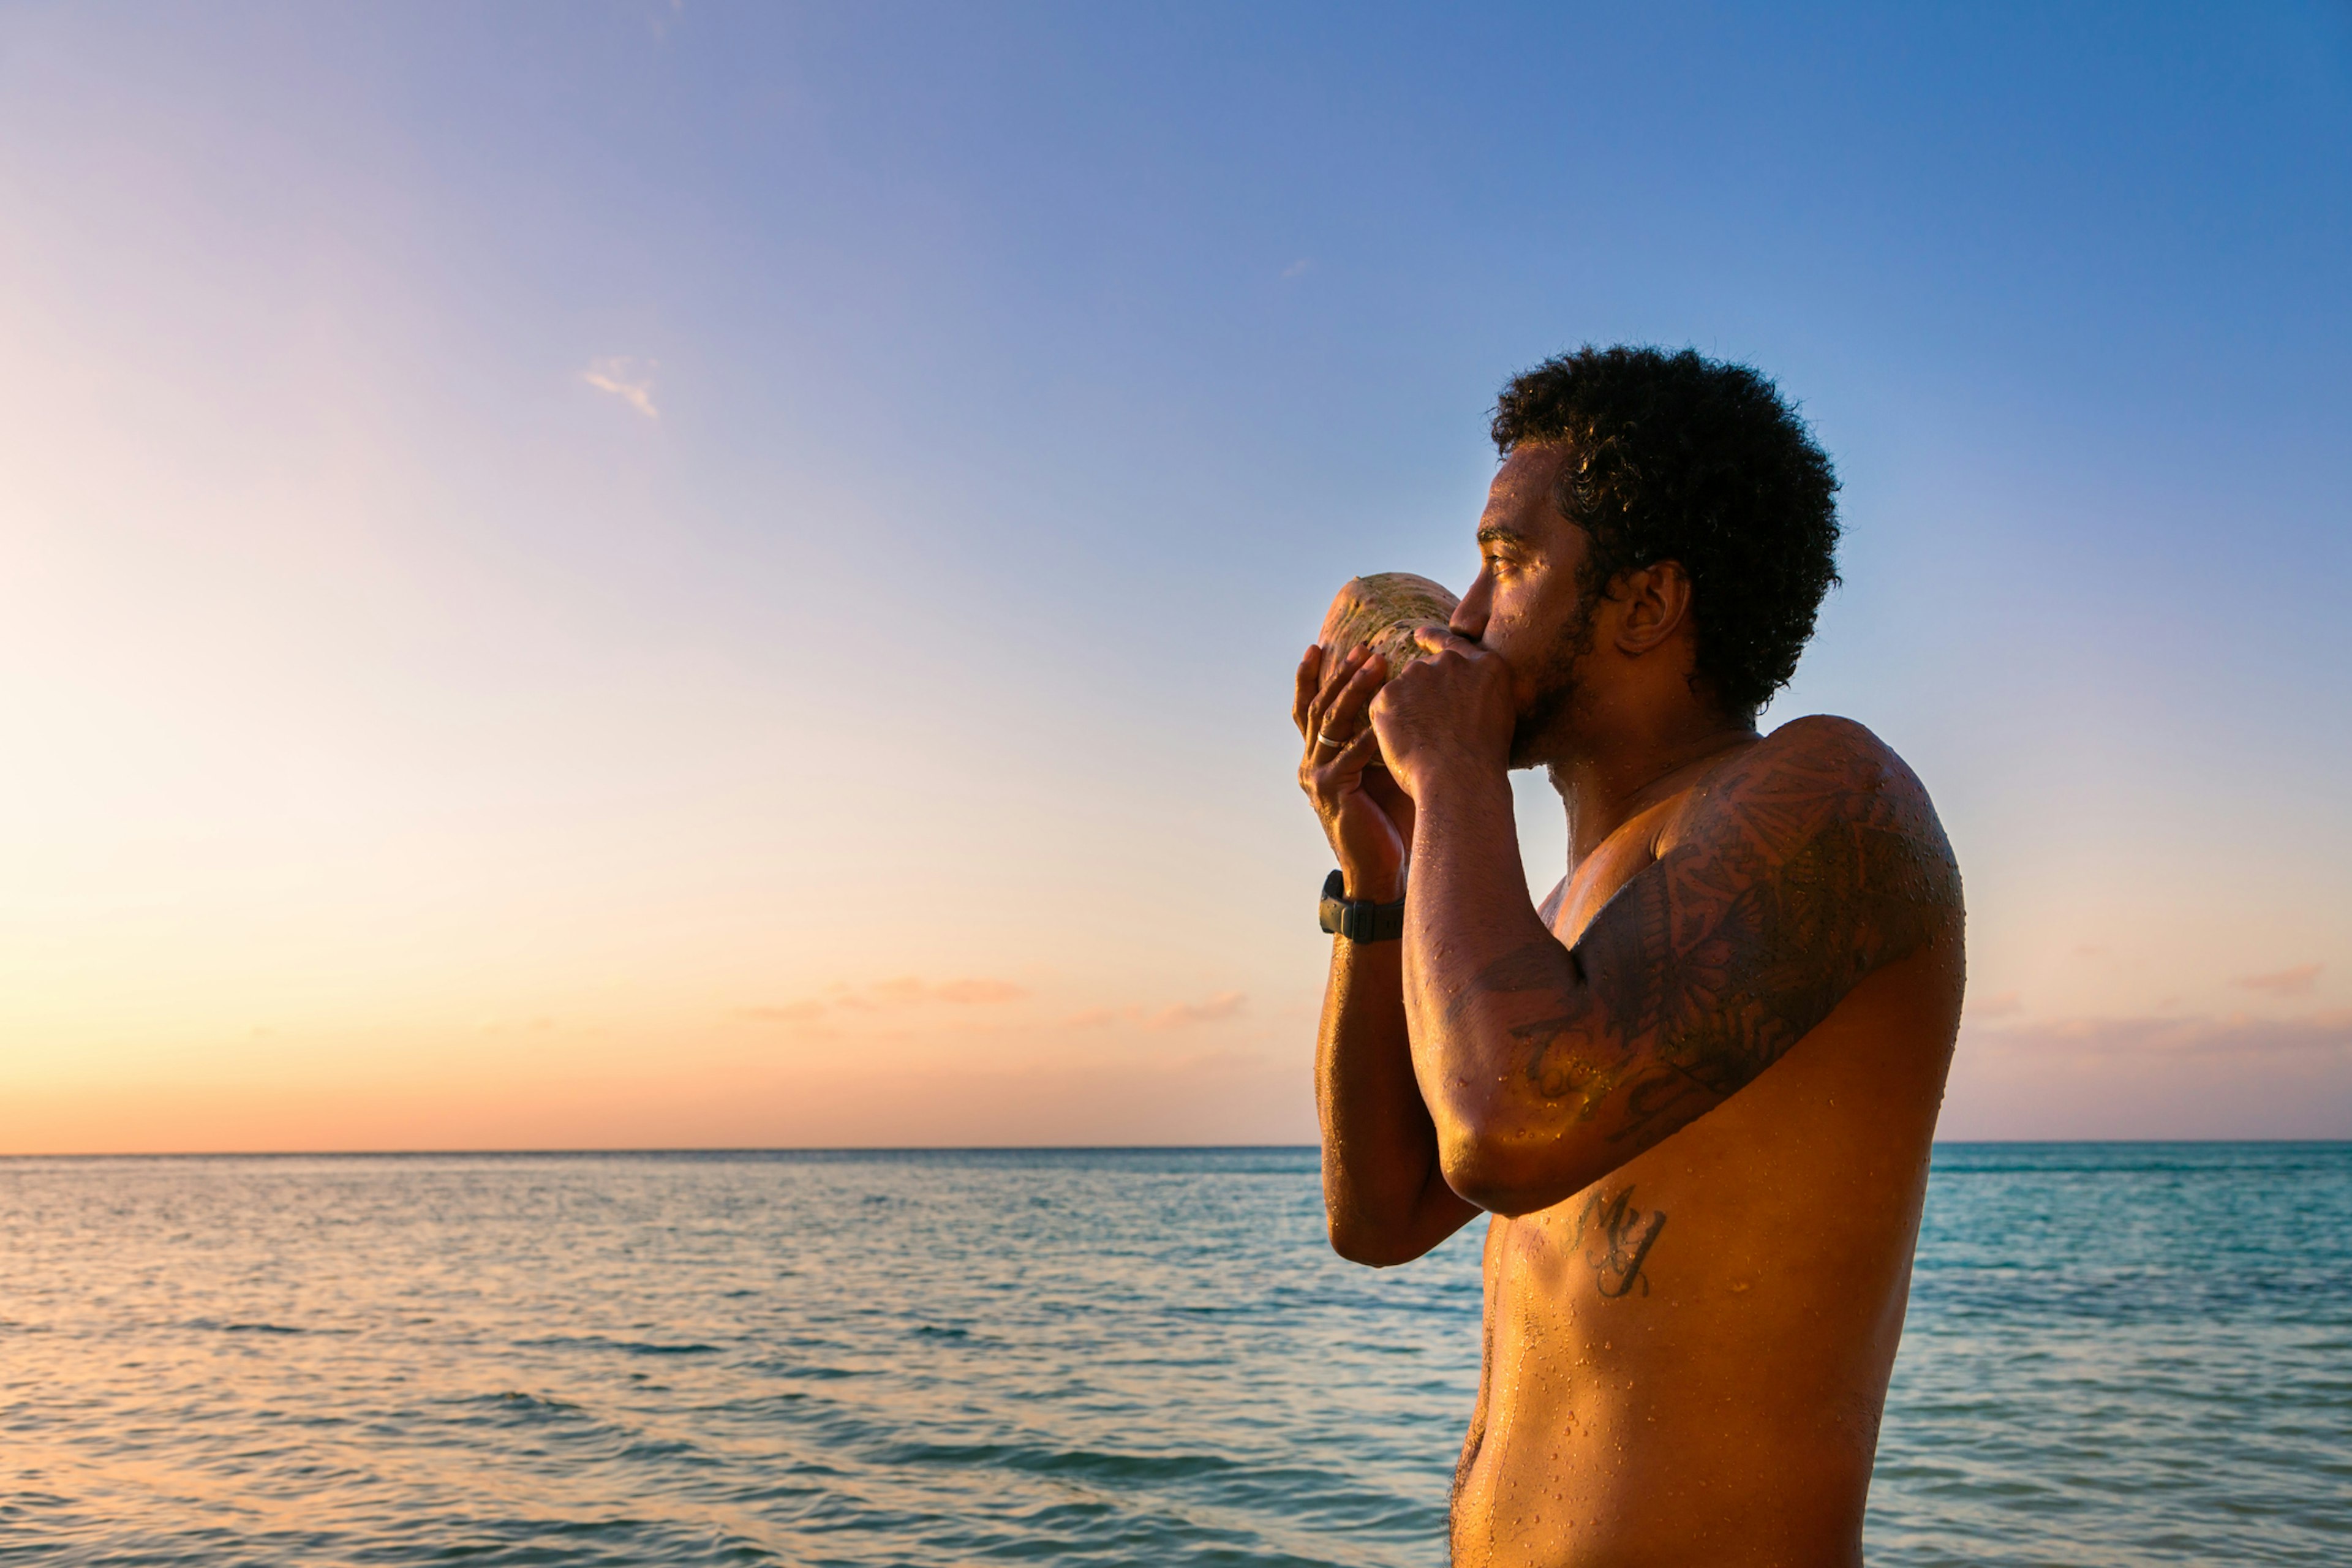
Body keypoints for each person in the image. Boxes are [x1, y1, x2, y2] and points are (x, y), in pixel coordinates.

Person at [1292, 345, 1963, 1567]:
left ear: (1648, 604)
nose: (1464, 618)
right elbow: (1380, 1209)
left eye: (1506, 563)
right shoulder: (1547, 921)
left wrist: (1449, 775)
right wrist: (1383, 875)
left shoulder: (1829, 794)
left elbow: (1511, 1121)